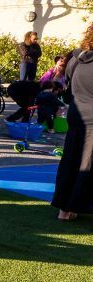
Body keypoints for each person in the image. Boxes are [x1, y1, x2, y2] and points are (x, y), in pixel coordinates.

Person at [52, 24, 93, 220]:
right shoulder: (76, 58)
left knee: (71, 160)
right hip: (89, 120)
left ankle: (64, 208)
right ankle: (72, 207)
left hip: (76, 116)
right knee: (86, 164)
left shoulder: (75, 58)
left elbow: (67, 87)